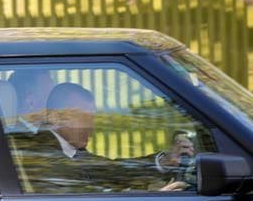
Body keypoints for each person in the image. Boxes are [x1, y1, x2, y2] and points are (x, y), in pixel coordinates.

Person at [12, 82, 195, 193]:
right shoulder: (39, 153)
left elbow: (115, 172)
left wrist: (163, 161)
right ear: (54, 117)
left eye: (92, 119)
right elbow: (84, 198)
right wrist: (155, 198)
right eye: (83, 118)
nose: (91, 129)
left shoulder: (73, 151)